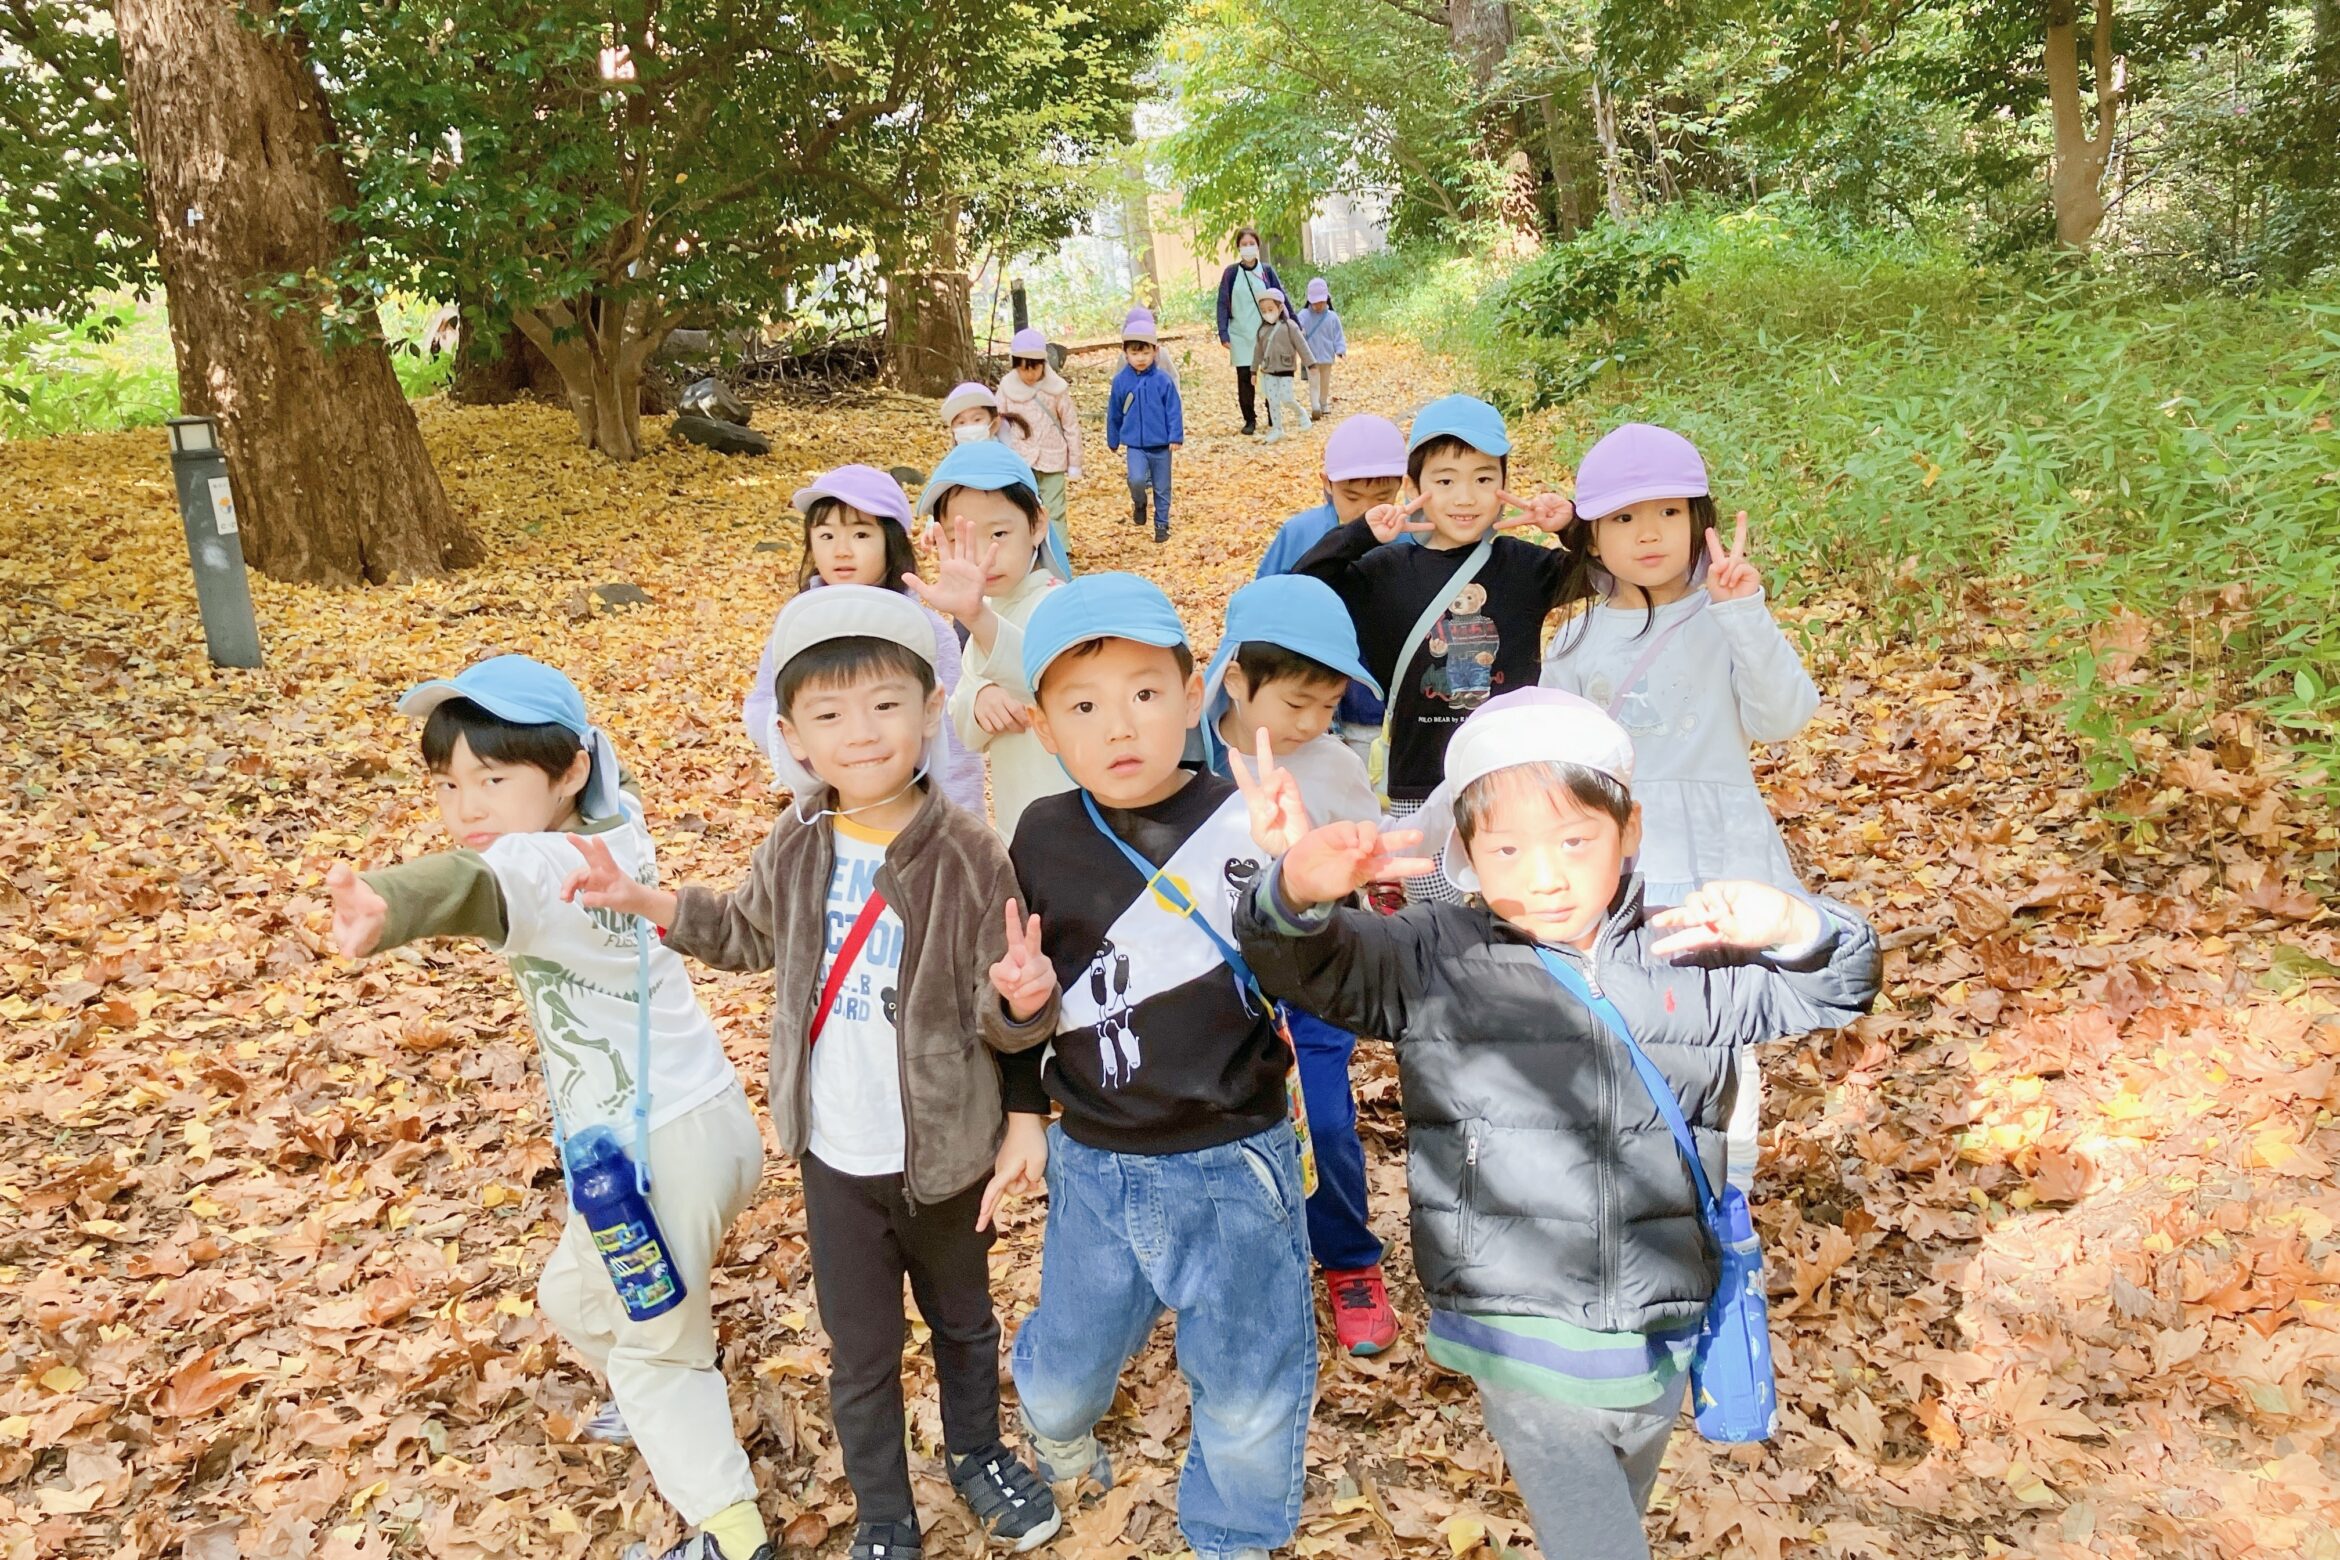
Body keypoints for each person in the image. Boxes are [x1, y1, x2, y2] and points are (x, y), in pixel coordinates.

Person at [1232, 687, 1881, 1560]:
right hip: (1519, 1326)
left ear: (1628, 829)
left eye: (1575, 841)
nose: (1544, 876)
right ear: (1467, 853)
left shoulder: (1686, 949)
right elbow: (1308, 964)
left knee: (1614, 1511)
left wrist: (1798, 924)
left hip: (1660, 1318)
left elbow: (1836, 987)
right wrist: (1295, 889)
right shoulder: (1433, 957)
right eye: (1507, 849)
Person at [561, 588, 1063, 1560]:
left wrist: (1022, 999)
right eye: (829, 714)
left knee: (964, 1324)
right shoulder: (796, 842)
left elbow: (1002, 1015)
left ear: (931, 711)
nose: (861, 732)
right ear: (792, 737)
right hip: (836, 1160)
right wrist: (646, 900)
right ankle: (884, 1513)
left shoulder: (969, 856)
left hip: (946, 1156)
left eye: (886, 705)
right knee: (862, 1352)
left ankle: (976, 1453)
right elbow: (745, 932)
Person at [320, 657, 770, 1560]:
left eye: (494, 779)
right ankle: (664, 1384)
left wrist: (390, 903)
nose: (467, 807)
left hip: (661, 1150)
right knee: (571, 1296)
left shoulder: (540, 861)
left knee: (655, 1352)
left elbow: (478, 882)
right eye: (448, 784)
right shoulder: (613, 829)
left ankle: (729, 1530)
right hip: (690, 1126)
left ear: (568, 771)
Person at [988, 574, 1317, 1560]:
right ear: (1045, 727)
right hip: (1095, 1160)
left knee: (1247, 1380)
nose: (1119, 726)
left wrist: (1301, 884)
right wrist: (1019, 1050)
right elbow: (1024, 997)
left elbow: (1317, 978)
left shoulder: (1244, 818)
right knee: (1064, 1368)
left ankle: (1235, 1538)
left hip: (1235, 1156)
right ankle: (1057, 1429)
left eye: (1143, 692)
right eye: (1083, 706)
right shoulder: (1042, 834)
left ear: (1192, 693)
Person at [1541, 422, 1819, 1193]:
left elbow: (1783, 717)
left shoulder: (1724, 615)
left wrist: (1744, 613)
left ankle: (1729, 1192)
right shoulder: (1576, 641)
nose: (1649, 533)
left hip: (1718, 860)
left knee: (1721, 1031)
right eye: (1624, 517)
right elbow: (1558, 762)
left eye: (1668, 512)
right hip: (1620, 864)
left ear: (1700, 519)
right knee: (1624, 1024)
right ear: (1591, 536)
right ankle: (1645, 1186)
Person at [1193, 575, 1395, 1356]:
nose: (1313, 723)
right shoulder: (1186, 753)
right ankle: (1241, 1259)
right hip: (1212, 984)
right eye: (1296, 703)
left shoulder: (1333, 765)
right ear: (1236, 679)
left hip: (1311, 979)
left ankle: (1349, 1261)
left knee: (1328, 1120)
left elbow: (1368, 856)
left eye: (1329, 704)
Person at [1293, 394, 1587, 901]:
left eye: (1483, 478)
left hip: (1513, 780)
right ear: (1414, 488)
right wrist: (1360, 536)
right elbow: (1300, 590)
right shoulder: (1382, 573)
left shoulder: (1527, 568)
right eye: (1445, 481)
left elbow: (1610, 572)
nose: (1465, 497)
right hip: (1419, 785)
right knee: (1432, 924)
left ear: (1505, 484)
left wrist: (1571, 527)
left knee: (1516, 914)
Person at [742, 465, 986, 814]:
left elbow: (955, 735)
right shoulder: (799, 622)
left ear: (891, 541)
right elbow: (764, 702)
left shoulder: (924, 629)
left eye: (860, 535)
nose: (841, 551)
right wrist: (814, 755)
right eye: (826, 536)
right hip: (827, 806)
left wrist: (960, 821)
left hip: (912, 808)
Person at [901, 440, 1071, 843]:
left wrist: (977, 619)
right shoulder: (989, 612)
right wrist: (979, 700)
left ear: (1037, 525)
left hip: (1080, 825)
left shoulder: (1060, 603)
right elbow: (965, 728)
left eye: (998, 534)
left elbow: (1049, 680)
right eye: (963, 539)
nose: (984, 556)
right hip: (1019, 830)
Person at [1253, 416, 1413, 770]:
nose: (1367, 510)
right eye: (1352, 496)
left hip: (1389, 713)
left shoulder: (1413, 536)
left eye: (1383, 496)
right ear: (1326, 483)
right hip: (1313, 713)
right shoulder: (1300, 534)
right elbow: (1262, 611)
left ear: (1403, 485)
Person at [995, 327, 1083, 580]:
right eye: (1024, 368)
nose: (1030, 374)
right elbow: (998, 423)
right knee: (1024, 506)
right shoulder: (1006, 389)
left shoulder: (1056, 389)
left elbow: (1070, 425)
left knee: (1054, 506)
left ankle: (1060, 551)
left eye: (1035, 368)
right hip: (1020, 458)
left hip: (1053, 456)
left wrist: (1075, 462)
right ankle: (1028, 549)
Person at [1105, 307, 1184, 545]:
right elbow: (1114, 411)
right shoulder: (1121, 381)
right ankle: (1139, 502)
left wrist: (1175, 435)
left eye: (1145, 352)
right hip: (1135, 445)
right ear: (1126, 354)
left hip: (1161, 443)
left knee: (1162, 486)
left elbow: (1173, 409)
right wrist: (1113, 438)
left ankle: (1162, 524)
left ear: (1155, 352)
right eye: (1135, 353)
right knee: (1136, 479)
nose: (1140, 358)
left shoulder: (1163, 381)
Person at [1214, 226, 1284, 436]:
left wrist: (1293, 323)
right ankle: (1249, 419)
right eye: (1244, 244)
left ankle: (1273, 414)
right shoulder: (1231, 273)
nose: (1248, 247)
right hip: (1240, 333)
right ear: (1238, 247)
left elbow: (1281, 298)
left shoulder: (1266, 271)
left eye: (1251, 243)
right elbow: (1222, 303)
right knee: (1245, 378)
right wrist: (1223, 332)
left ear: (1258, 246)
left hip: (1266, 332)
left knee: (1270, 374)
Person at [1251, 288, 1315, 445]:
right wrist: (1253, 371)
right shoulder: (1262, 330)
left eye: (1270, 309)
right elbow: (1257, 352)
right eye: (1263, 311)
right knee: (1272, 401)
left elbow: (1301, 345)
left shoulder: (1290, 326)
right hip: (1268, 370)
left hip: (1286, 369)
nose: (1267, 313)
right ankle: (1277, 429)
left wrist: (1310, 363)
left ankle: (1301, 414)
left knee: (1287, 398)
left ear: (1280, 308)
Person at [1298, 279, 1345, 418]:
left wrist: (1340, 349)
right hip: (1310, 357)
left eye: (1321, 302)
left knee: (1324, 382)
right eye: (1315, 302)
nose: (1318, 305)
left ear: (1326, 299)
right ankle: (1315, 407)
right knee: (1314, 383)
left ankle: (1323, 403)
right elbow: (1296, 330)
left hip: (1327, 356)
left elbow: (1338, 335)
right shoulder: (1303, 315)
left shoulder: (1332, 317)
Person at [940, 381, 1031, 450]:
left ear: (995, 423)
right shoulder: (953, 461)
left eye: (977, 419)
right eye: (961, 422)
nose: (969, 427)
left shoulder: (1013, 452)